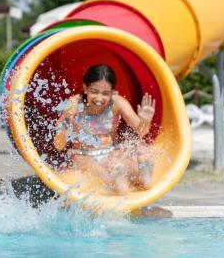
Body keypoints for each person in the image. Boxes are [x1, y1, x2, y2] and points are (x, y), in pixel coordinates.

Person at [53, 64, 156, 194]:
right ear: (85, 88)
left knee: (143, 152)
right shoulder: (74, 105)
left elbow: (142, 131)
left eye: (105, 93)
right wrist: (66, 124)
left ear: (113, 92)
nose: (99, 98)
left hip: (112, 153)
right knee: (116, 169)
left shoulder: (118, 103)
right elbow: (58, 145)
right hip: (85, 157)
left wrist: (145, 121)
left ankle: (145, 182)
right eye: (94, 91)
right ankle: (123, 194)